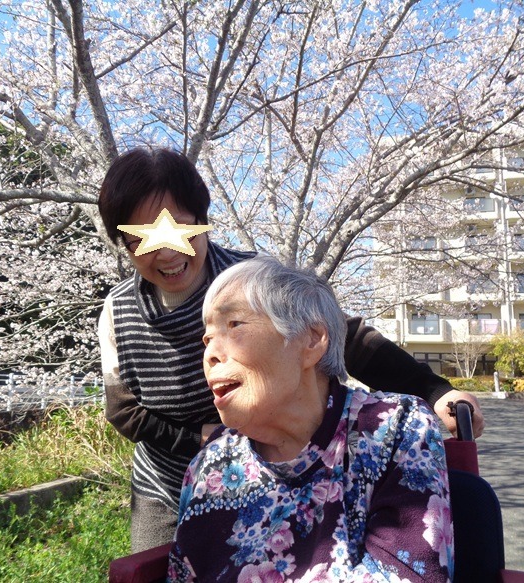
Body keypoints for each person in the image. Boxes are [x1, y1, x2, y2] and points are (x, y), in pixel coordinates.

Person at [97, 147, 479, 552]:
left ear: (201, 221)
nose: (165, 252)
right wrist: (197, 437)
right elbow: (124, 411)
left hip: (271, 471)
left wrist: (433, 390)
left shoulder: (253, 281)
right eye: (141, 238)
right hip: (166, 482)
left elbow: (343, 336)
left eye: (179, 228)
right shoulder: (118, 312)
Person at [167, 257, 453, 582]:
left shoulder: (395, 428)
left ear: (312, 340)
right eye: (207, 339)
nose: (210, 354)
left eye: (234, 325)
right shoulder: (211, 463)